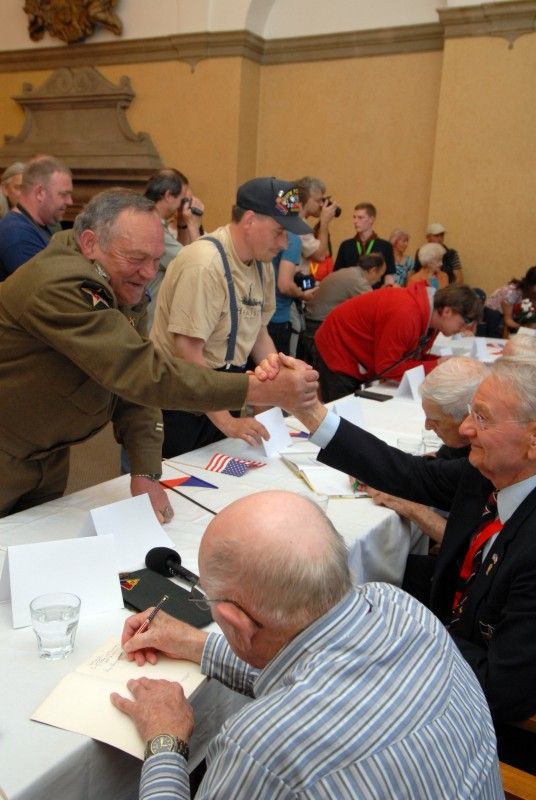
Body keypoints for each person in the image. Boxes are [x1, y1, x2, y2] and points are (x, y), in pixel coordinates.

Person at [111, 490, 502, 800]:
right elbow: (309, 669)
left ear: (235, 622)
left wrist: (166, 741)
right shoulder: (398, 607)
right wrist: (196, 643)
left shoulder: (262, 751)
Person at [269, 354, 536, 765]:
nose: (465, 431)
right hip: (460, 632)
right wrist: (309, 412)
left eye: (481, 419)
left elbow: (501, 690)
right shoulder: (488, 472)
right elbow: (408, 474)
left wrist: (397, 638)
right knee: (347, 584)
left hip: (473, 722)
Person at [0, 188, 318, 520]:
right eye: (137, 259)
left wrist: (146, 471)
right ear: (91, 243)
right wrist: (255, 389)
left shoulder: (111, 274)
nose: (150, 274)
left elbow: (133, 389)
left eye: (156, 259)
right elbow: (141, 372)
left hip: (47, 453)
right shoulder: (60, 285)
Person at [151, 177, 312, 457]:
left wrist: (279, 382)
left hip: (222, 390)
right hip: (181, 399)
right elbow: (188, 351)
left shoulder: (262, 265)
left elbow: (258, 331)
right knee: (178, 486)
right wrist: (227, 421)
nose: (285, 244)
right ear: (249, 220)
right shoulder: (204, 264)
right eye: (279, 232)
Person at [364, 357, 489, 545]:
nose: (427, 426)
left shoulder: (492, 458)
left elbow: (472, 545)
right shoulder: (465, 445)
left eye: (435, 420)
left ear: (466, 419)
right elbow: (438, 464)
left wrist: (409, 506)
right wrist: (381, 468)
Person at [313, 283, 481, 401]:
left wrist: (444, 363)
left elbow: (411, 358)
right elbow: (388, 368)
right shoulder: (406, 314)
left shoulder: (431, 320)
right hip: (338, 350)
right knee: (342, 423)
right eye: (462, 323)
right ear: (447, 311)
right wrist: (437, 365)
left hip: (356, 353)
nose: (462, 330)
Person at [143, 168, 204, 331]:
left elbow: (179, 252)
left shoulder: (146, 217)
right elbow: (197, 263)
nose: (183, 205)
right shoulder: (153, 226)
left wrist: (183, 224)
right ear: (169, 195)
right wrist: (194, 223)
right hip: (148, 320)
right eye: (183, 199)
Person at [301, 253, 385, 365]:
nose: (379, 280)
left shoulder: (350, 272)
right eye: (380, 275)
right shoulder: (358, 281)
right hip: (318, 327)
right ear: (373, 270)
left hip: (311, 323)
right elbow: (376, 308)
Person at [0, 155, 73, 281]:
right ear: (40, 193)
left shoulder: (35, 225)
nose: (70, 201)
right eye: (63, 194)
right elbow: (50, 290)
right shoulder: (18, 235)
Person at [267, 230, 318, 355]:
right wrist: (302, 295)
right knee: (278, 367)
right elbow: (285, 285)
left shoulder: (262, 234)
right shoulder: (292, 239)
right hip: (278, 317)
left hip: (256, 316)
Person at [334, 201, 395, 286]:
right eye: (354, 217)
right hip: (350, 295)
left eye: (360, 217)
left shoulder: (385, 246)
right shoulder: (346, 245)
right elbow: (338, 274)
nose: (355, 221)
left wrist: (387, 291)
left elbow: (389, 275)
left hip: (375, 295)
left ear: (371, 219)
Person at [485, 265, 536, 335]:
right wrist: (524, 328)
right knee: (498, 328)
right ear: (530, 284)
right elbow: (508, 320)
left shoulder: (532, 294)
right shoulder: (512, 293)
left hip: (512, 313)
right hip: (494, 311)